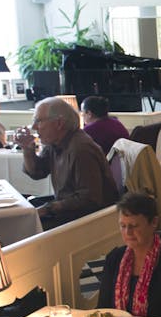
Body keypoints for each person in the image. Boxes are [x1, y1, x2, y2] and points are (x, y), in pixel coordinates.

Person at [16, 98, 118, 228]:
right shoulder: (55, 143)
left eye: (39, 121)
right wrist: (27, 149)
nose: (34, 127)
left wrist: (48, 208)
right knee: (21, 215)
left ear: (59, 123)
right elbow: (37, 172)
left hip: (88, 221)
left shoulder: (81, 149)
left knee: (23, 226)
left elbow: (89, 200)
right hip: (69, 212)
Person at [97, 192, 161, 317]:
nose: (128, 232)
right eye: (123, 226)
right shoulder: (114, 258)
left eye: (134, 226)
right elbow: (103, 309)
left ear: (154, 222)